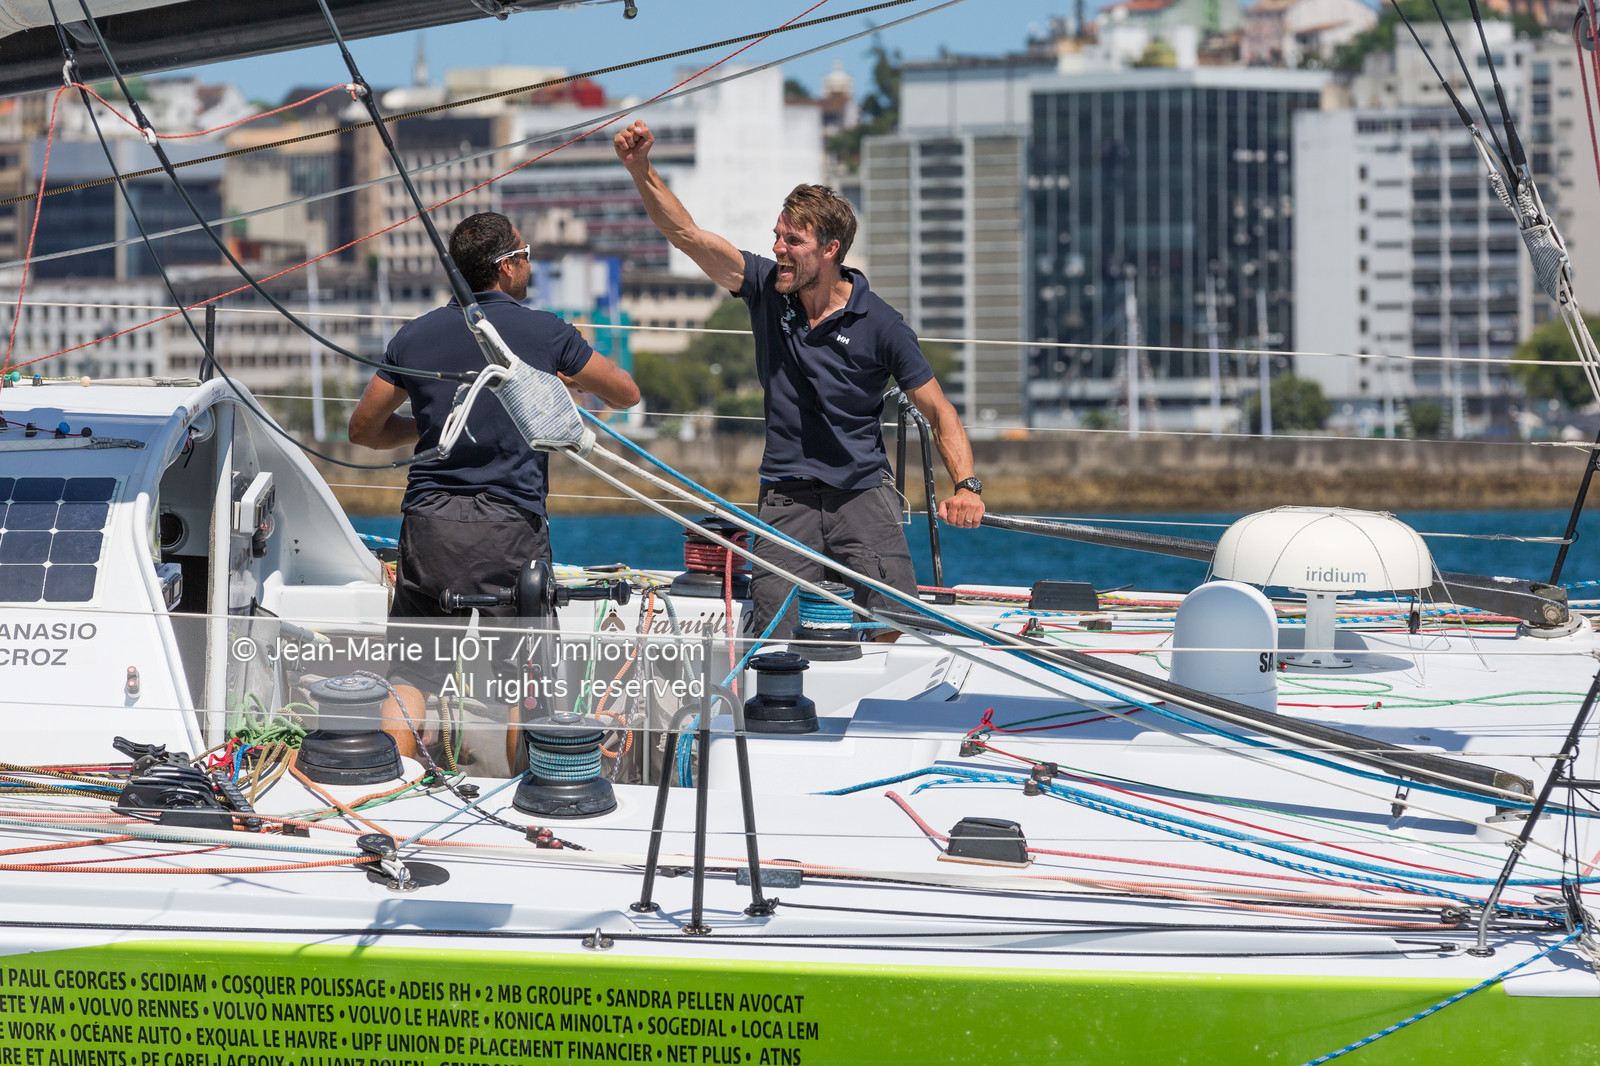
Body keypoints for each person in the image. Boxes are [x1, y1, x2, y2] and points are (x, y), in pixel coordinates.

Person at [613, 119, 984, 637]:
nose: (779, 248)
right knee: (771, 635)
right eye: (777, 236)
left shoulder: (882, 325)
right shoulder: (767, 288)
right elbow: (687, 236)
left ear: (830, 250)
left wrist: (966, 487)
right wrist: (640, 169)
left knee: (898, 626)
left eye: (793, 240)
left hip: (862, 491)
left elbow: (940, 411)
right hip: (787, 495)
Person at [348, 211, 640, 759]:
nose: (530, 264)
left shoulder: (414, 336)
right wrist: (557, 380)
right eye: (526, 254)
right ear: (507, 266)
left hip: (429, 522)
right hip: (509, 527)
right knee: (526, 677)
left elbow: (363, 430)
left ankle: (390, 791)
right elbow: (625, 393)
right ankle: (522, 797)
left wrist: (434, 428)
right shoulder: (546, 332)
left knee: (411, 674)